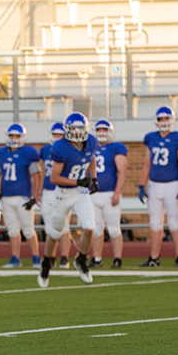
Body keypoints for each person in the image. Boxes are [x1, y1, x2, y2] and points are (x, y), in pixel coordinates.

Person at [37, 112, 99, 288]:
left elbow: (90, 157)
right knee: (56, 233)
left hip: (80, 193)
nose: (78, 132)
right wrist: (79, 180)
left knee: (89, 227)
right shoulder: (60, 147)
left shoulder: (91, 142)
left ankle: (81, 260)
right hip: (63, 194)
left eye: (81, 128)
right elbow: (54, 178)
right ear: (67, 130)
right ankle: (46, 264)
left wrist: (93, 178)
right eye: (74, 129)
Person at [138, 106, 178, 268]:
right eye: (161, 119)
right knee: (155, 222)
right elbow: (147, 163)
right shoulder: (151, 138)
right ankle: (154, 257)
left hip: (172, 184)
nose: (163, 122)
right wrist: (141, 184)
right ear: (156, 121)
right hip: (154, 184)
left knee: (174, 221)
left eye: (166, 119)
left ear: (172, 120)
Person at [0, 123, 42, 269]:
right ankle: (15, 258)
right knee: (12, 229)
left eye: (17, 136)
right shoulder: (1, 153)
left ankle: (36, 258)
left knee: (28, 229)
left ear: (23, 137)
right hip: (7, 197)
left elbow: (37, 175)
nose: (14, 138)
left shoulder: (28, 152)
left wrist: (36, 195)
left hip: (23, 197)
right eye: (12, 135)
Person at [89, 120, 127, 269]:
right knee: (96, 228)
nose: (102, 133)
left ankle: (117, 258)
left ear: (110, 133)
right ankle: (97, 258)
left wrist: (117, 193)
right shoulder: (90, 148)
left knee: (113, 228)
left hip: (110, 194)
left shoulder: (116, 148)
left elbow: (122, 172)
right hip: (93, 194)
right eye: (99, 130)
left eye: (105, 130)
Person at [39, 122, 72, 268]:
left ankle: (64, 257)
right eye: (55, 134)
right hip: (47, 191)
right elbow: (41, 172)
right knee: (48, 227)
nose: (57, 137)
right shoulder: (45, 150)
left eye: (59, 134)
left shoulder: (69, 149)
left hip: (63, 190)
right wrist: (38, 192)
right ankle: (49, 256)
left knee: (64, 226)